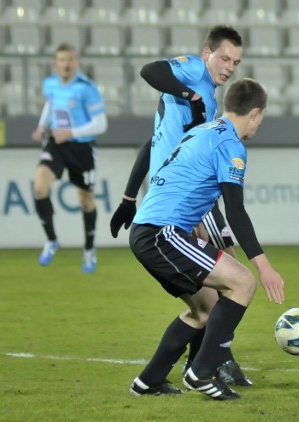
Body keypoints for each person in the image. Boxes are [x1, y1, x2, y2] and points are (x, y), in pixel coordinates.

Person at [109, 26, 250, 384]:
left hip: (172, 191)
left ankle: (198, 364)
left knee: (213, 288)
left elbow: (152, 144)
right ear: (207, 53)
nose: (229, 66)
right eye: (224, 57)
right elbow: (150, 71)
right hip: (180, 197)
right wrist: (189, 93)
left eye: (236, 61)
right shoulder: (193, 72)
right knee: (230, 275)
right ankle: (211, 363)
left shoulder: (209, 103)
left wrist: (128, 198)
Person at [129, 78, 285, 400]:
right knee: (243, 283)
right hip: (163, 233)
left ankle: (149, 381)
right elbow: (236, 211)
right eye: (262, 118)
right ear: (255, 114)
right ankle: (202, 372)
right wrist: (264, 266)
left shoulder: (201, 131)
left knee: (205, 308)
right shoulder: (230, 144)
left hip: (149, 230)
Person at [31, 42, 108, 273]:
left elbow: (101, 124)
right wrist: (41, 126)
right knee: (39, 187)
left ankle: (88, 248)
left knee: (85, 201)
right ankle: (52, 239)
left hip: (81, 147)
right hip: (56, 143)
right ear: (56, 64)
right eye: (62, 60)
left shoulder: (87, 88)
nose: (66, 64)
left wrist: (72, 132)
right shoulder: (50, 84)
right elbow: (51, 103)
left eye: (70, 59)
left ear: (77, 62)